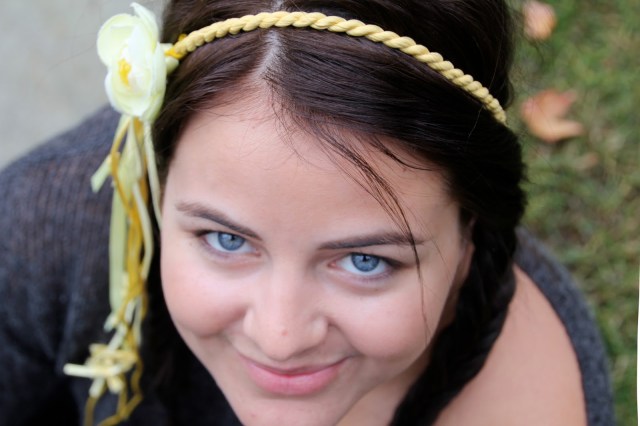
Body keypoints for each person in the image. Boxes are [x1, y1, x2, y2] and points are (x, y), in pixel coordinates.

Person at [0, 0, 614, 425]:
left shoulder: (533, 403)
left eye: (365, 260)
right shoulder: (44, 226)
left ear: (471, 227)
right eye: (226, 240)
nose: (280, 337)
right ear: (157, 182)